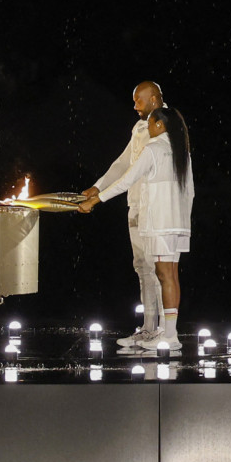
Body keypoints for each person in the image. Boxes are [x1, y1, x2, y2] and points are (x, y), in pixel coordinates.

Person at [79, 105, 194, 351]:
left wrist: (96, 199)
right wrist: (184, 221)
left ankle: (170, 337)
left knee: (164, 276)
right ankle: (166, 333)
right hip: (177, 224)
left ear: (160, 125)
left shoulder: (153, 149)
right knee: (170, 276)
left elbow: (127, 180)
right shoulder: (180, 151)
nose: (147, 128)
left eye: (151, 124)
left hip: (160, 224)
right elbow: (190, 192)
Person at [78, 81, 166, 348]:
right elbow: (123, 163)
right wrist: (98, 186)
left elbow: (141, 171)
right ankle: (149, 328)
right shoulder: (139, 127)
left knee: (160, 269)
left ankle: (164, 330)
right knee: (142, 268)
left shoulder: (167, 124)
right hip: (136, 205)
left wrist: (100, 198)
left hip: (157, 208)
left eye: (138, 100)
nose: (134, 105)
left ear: (153, 99)